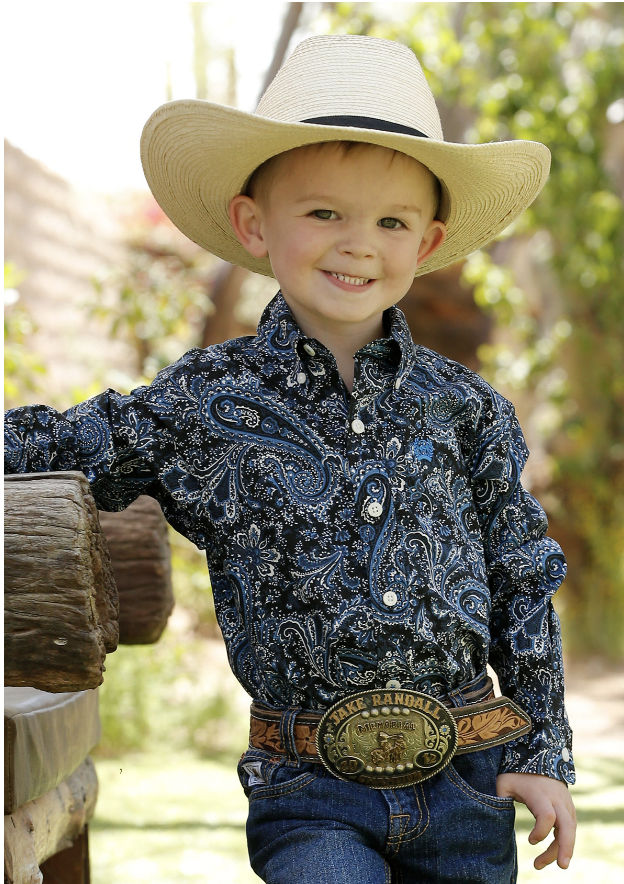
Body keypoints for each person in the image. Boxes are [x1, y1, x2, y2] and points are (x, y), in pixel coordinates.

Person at [4, 35, 576, 884]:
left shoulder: (470, 411)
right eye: (323, 213)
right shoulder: (206, 403)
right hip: (309, 788)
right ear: (252, 222)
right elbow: (67, 444)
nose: (358, 244)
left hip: (468, 782)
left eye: (391, 221)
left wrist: (543, 753)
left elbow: (522, 579)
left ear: (428, 240)